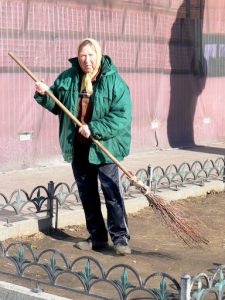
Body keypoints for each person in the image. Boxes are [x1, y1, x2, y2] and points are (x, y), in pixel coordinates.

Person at [34, 38, 132, 255]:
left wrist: (93, 128)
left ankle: (120, 239)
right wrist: (45, 93)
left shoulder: (114, 82)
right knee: (87, 194)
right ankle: (97, 237)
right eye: (82, 56)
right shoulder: (69, 78)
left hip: (104, 146)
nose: (86, 60)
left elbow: (121, 116)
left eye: (90, 55)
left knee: (112, 193)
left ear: (98, 55)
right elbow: (56, 104)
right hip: (79, 147)